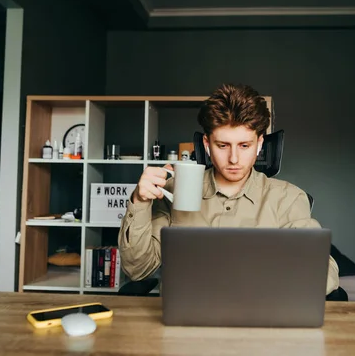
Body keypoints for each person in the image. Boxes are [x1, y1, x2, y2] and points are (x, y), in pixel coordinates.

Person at [118, 83, 340, 295]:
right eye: (223, 145)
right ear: (207, 144)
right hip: (187, 323)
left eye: (244, 146)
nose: (234, 158)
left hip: (262, 319)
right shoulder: (173, 191)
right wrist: (140, 201)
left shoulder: (288, 199)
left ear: (260, 144)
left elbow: (324, 272)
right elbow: (138, 269)